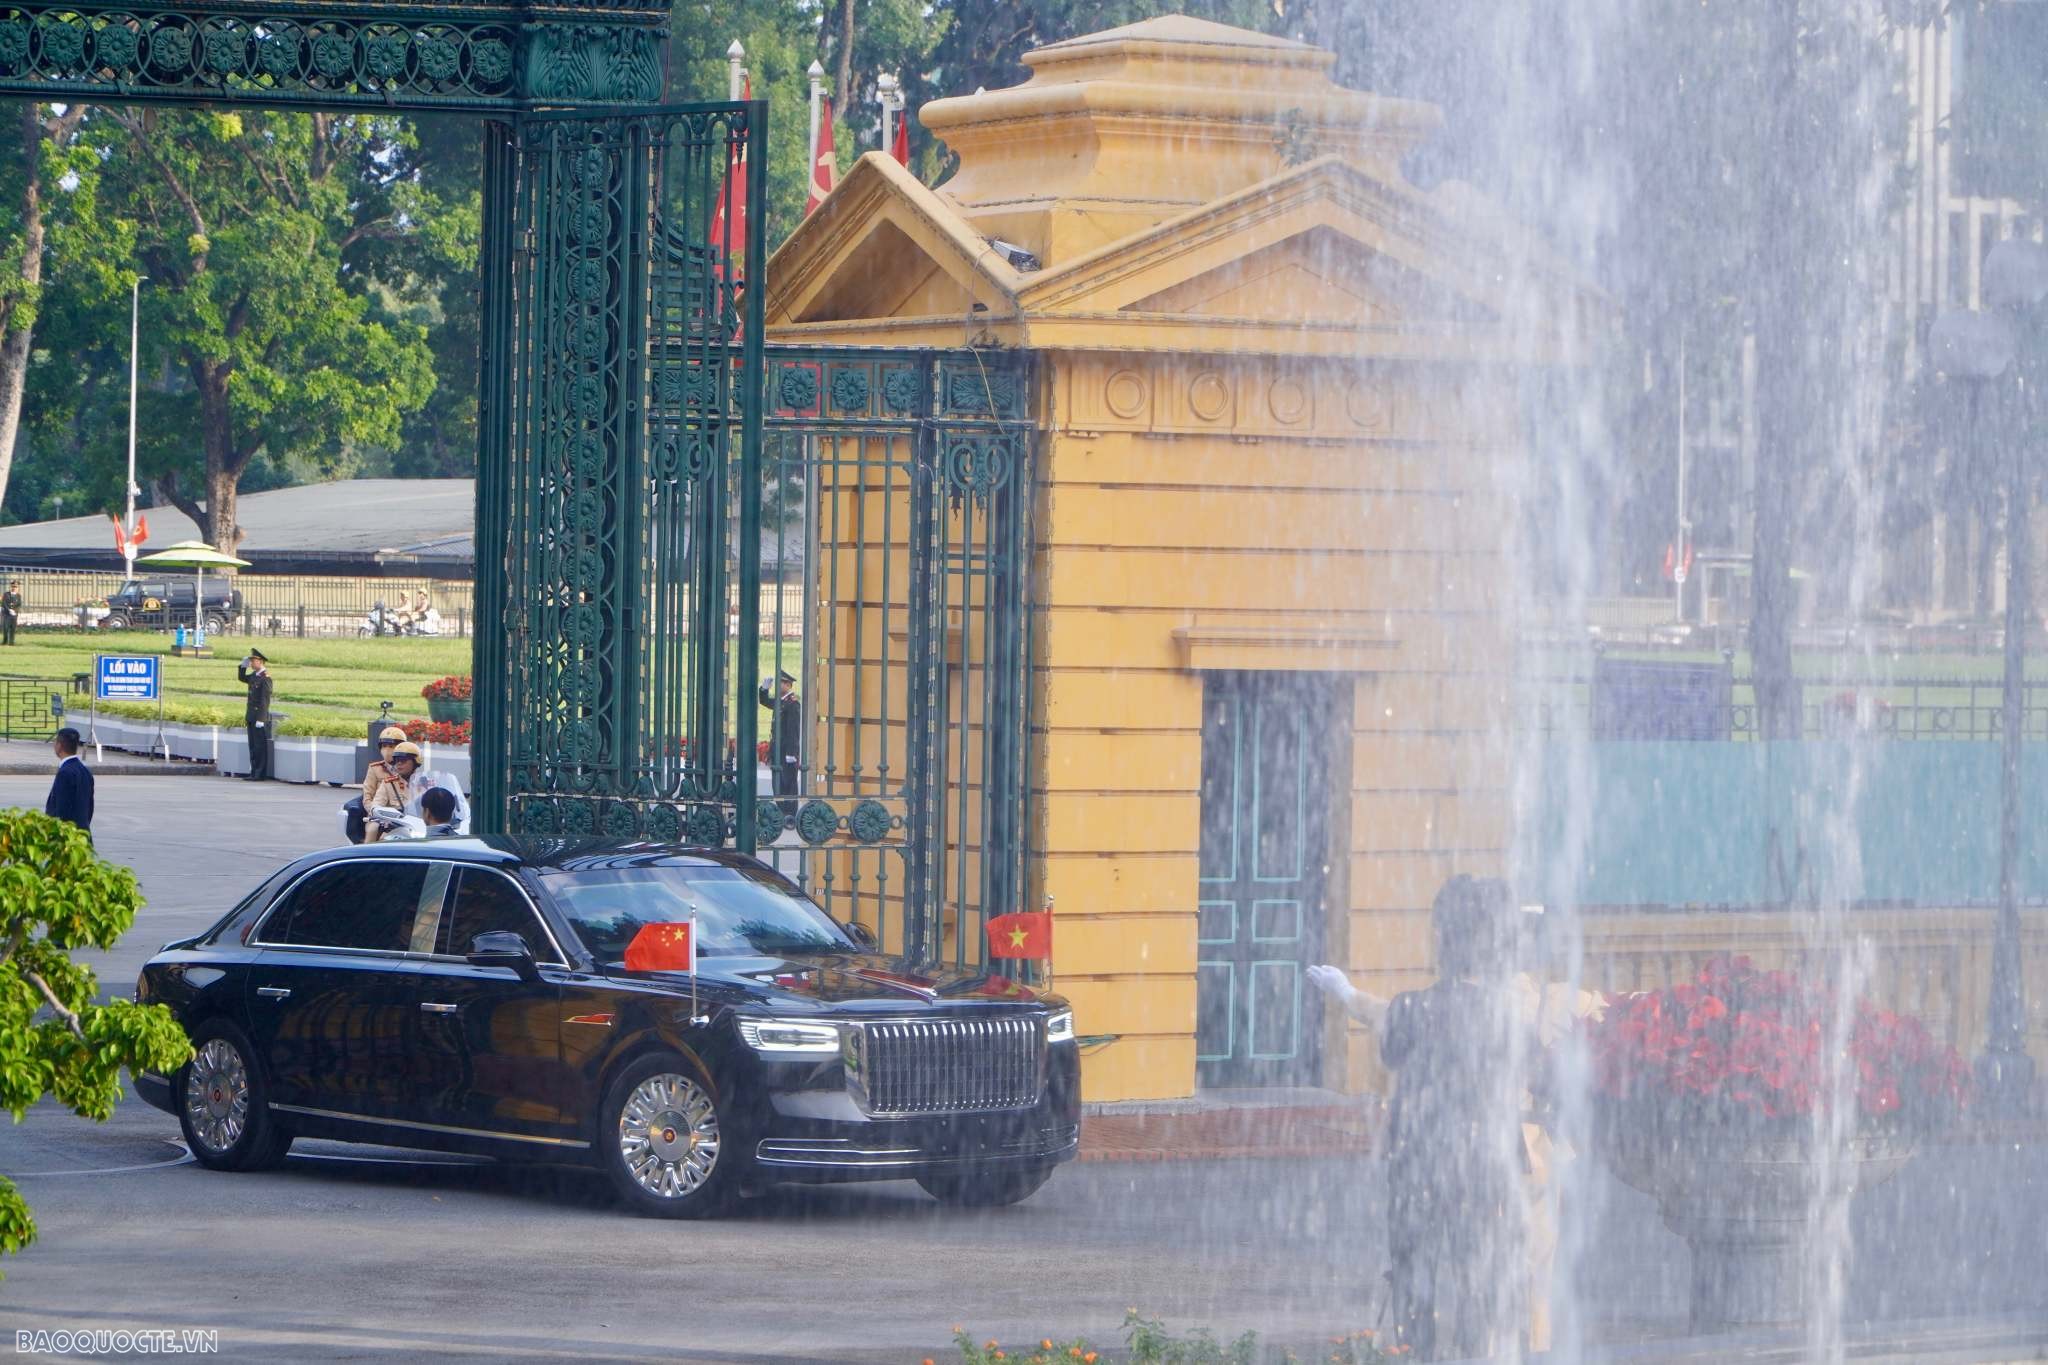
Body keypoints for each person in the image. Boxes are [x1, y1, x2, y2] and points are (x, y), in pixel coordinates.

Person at [1309, 875, 1530, 1361]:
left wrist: (1345, 995)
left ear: (1444, 942)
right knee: (1477, 1274)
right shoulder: (1506, 1015)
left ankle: (1416, 1354)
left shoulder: (1416, 1007)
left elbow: (1388, 1050)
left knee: (1414, 1270)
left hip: (1420, 1161)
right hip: (1486, 1165)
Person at [343, 726, 407, 843]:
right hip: (379, 816)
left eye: (391, 746)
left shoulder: (407, 767)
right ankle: (366, 856)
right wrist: (376, 813)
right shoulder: (375, 769)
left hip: (404, 817)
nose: (387, 750)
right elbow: (367, 797)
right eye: (384, 746)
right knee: (373, 830)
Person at [758, 670, 801, 823]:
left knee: (788, 783)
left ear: (788, 684)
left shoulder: (793, 703)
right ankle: (781, 811)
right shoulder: (781, 701)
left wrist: (792, 752)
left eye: (780, 683)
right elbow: (764, 701)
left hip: (786, 751)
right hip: (777, 749)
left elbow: (793, 731)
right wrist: (764, 689)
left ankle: (790, 814)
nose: (777, 685)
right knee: (778, 782)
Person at [364, 741, 422, 842]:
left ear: (415, 762)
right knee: (372, 828)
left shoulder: (425, 784)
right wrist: (384, 815)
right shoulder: (388, 784)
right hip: (394, 827)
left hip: (419, 827)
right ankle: (365, 854)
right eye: (396, 760)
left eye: (403, 760)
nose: (399, 764)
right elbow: (376, 806)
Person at [44, 727, 93, 834]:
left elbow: (61, 810)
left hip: (67, 838)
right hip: (82, 836)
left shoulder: (64, 773)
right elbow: (89, 807)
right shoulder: (85, 771)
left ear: (59, 746)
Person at [238, 649, 273, 781]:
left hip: (259, 717)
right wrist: (242, 666)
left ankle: (259, 773)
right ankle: (254, 772)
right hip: (251, 715)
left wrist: (261, 718)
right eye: (251, 661)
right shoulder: (255, 676)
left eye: (253, 661)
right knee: (252, 746)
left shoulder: (265, 679)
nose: (251, 663)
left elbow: (265, 700)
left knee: (259, 747)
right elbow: (242, 678)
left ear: (261, 661)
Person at [1, 579, 21, 646]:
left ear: (18, 588)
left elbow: (19, 604)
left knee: (13, 629)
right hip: (6, 614)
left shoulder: (18, 596)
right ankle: (5, 641)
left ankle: (11, 642)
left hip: (14, 615)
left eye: (15, 587)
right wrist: (9, 610)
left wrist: (14, 611)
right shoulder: (6, 594)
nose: (14, 588)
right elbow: (4, 603)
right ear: (11, 587)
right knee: (5, 628)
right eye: (13, 586)